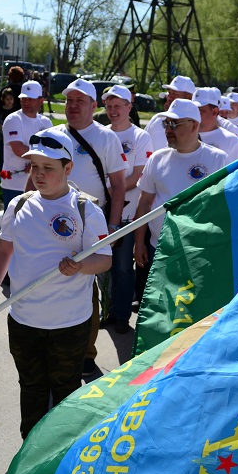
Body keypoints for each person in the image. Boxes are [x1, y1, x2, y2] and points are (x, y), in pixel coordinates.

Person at [0, 127, 112, 440]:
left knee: (64, 393)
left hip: (70, 324)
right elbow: (3, 250)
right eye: (34, 166)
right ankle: (29, 457)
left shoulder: (85, 209)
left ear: (68, 168)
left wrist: (79, 266)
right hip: (24, 321)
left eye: (48, 167)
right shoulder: (19, 205)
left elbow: (104, 260)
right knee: (32, 389)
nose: (39, 174)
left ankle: (59, 457)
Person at [54, 78, 127, 378]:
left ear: (93, 106)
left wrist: (112, 227)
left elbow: (120, 186)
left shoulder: (107, 138)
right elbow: (33, 180)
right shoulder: (52, 134)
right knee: (55, 282)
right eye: (69, 100)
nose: (72, 106)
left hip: (91, 224)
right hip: (54, 223)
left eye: (80, 101)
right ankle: (56, 346)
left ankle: (86, 353)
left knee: (88, 289)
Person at [134, 99, 228, 271]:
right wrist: (139, 243)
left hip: (199, 252)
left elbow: (224, 209)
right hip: (159, 249)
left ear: (194, 126)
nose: (168, 130)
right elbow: (144, 202)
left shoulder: (217, 159)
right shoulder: (157, 158)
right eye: (166, 124)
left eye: (174, 124)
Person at [103, 85, 153, 334]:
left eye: (118, 106)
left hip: (127, 213)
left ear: (129, 107)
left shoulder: (140, 137)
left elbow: (139, 174)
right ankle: (105, 311)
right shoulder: (101, 134)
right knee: (101, 265)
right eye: (109, 106)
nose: (113, 111)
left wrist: (113, 193)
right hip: (100, 212)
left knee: (123, 266)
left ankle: (121, 315)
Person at [0, 81, 52, 211]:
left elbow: (52, 150)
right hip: (15, 185)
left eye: (30, 99)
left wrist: (36, 163)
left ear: (41, 101)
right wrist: (39, 161)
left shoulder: (46, 122)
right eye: (23, 98)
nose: (26, 102)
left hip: (40, 184)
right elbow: (18, 149)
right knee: (13, 224)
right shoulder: (13, 120)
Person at [145, 75, 196, 151]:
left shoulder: (197, 124)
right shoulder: (157, 119)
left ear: (189, 97)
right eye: (169, 93)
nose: (169, 98)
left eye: (175, 94)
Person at [194, 87, 238, 162]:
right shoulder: (181, 135)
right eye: (193, 110)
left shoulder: (232, 141)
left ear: (214, 112)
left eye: (200, 111)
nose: (194, 115)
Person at [0, 88, 18, 177]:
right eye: (7, 99)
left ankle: (12, 173)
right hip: (1, 137)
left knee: (13, 156)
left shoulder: (16, 110)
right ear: (3, 99)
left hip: (14, 137)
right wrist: (1, 127)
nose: (9, 101)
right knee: (1, 156)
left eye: (11, 99)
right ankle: (1, 175)